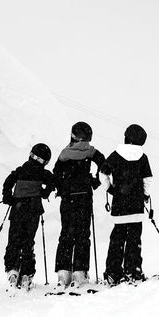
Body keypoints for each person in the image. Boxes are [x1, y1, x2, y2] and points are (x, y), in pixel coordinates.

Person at [53, 121, 106, 289]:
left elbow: (56, 173)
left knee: (66, 233)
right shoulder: (91, 151)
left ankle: (63, 272)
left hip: (68, 197)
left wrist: (63, 187)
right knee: (83, 234)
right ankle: (79, 272)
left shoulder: (64, 153)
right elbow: (104, 165)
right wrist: (94, 181)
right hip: (84, 196)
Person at [101, 123, 153, 285]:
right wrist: (145, 195)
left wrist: (111, 189)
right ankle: (133, 270)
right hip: (136, 206)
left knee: (117, 240)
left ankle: (113, 272)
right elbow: (148, 180)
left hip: (119, 206)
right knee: (134, 240)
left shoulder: (115, 155)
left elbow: (103, 174)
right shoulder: (143, 157)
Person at [1, 143, 55, 289]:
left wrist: (8, 198)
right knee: (28, 242)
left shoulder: (20, 170)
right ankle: (26, 273)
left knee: (14, 240)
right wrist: (45, 193)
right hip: (33, 211)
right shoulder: (43, 174)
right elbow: (52, 181)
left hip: (17, 210)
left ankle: (12, 270)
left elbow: (7, 183)